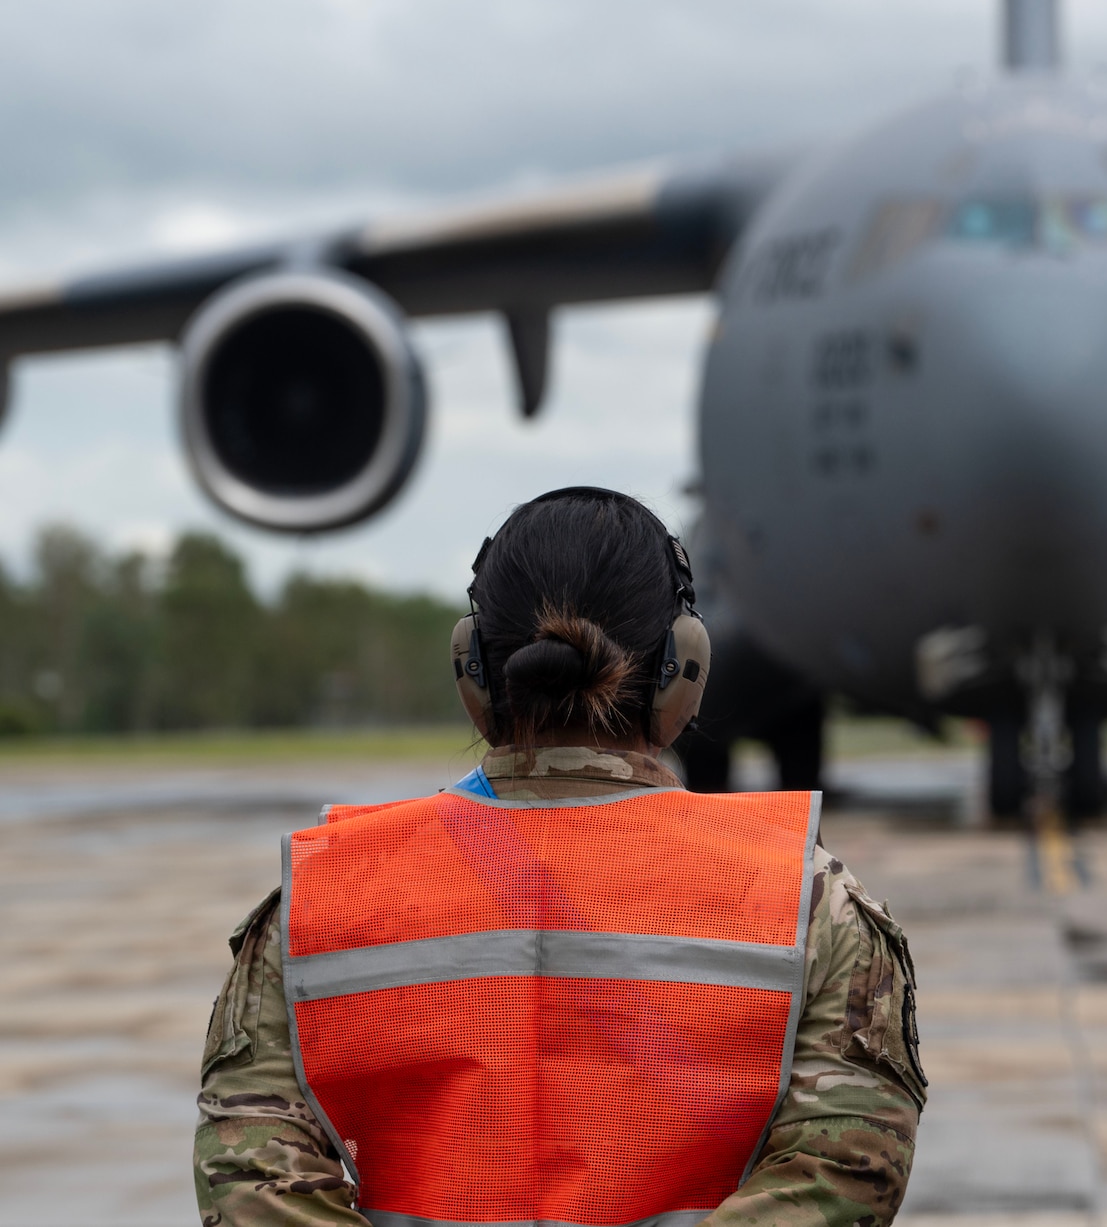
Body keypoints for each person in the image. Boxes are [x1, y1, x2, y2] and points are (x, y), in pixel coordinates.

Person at [194, 487, 926, 1227]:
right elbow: (843, 1169)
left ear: (473, 673)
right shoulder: (806, 903)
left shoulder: (321, 905)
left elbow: (252, 1179)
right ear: (683, 673)